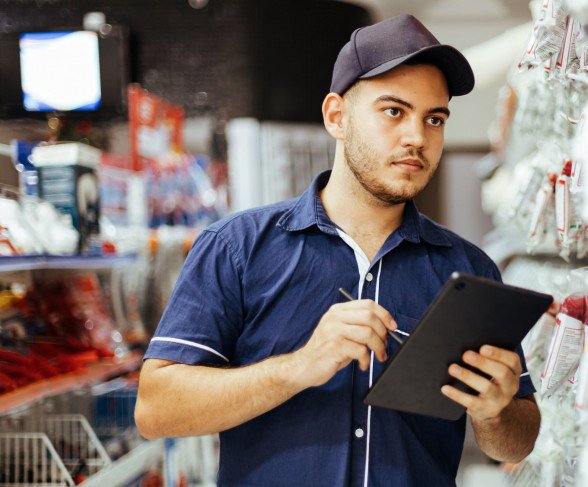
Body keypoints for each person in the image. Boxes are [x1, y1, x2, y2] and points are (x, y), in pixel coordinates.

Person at [135, 14, 541, 487]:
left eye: (434, 119)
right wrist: (300, 367)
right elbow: (155, 409)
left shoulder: (469, 269)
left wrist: (495, 413)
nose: (417, 136)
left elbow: (518, 441)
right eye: (394, 111)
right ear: (336, 117)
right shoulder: (237, 248)